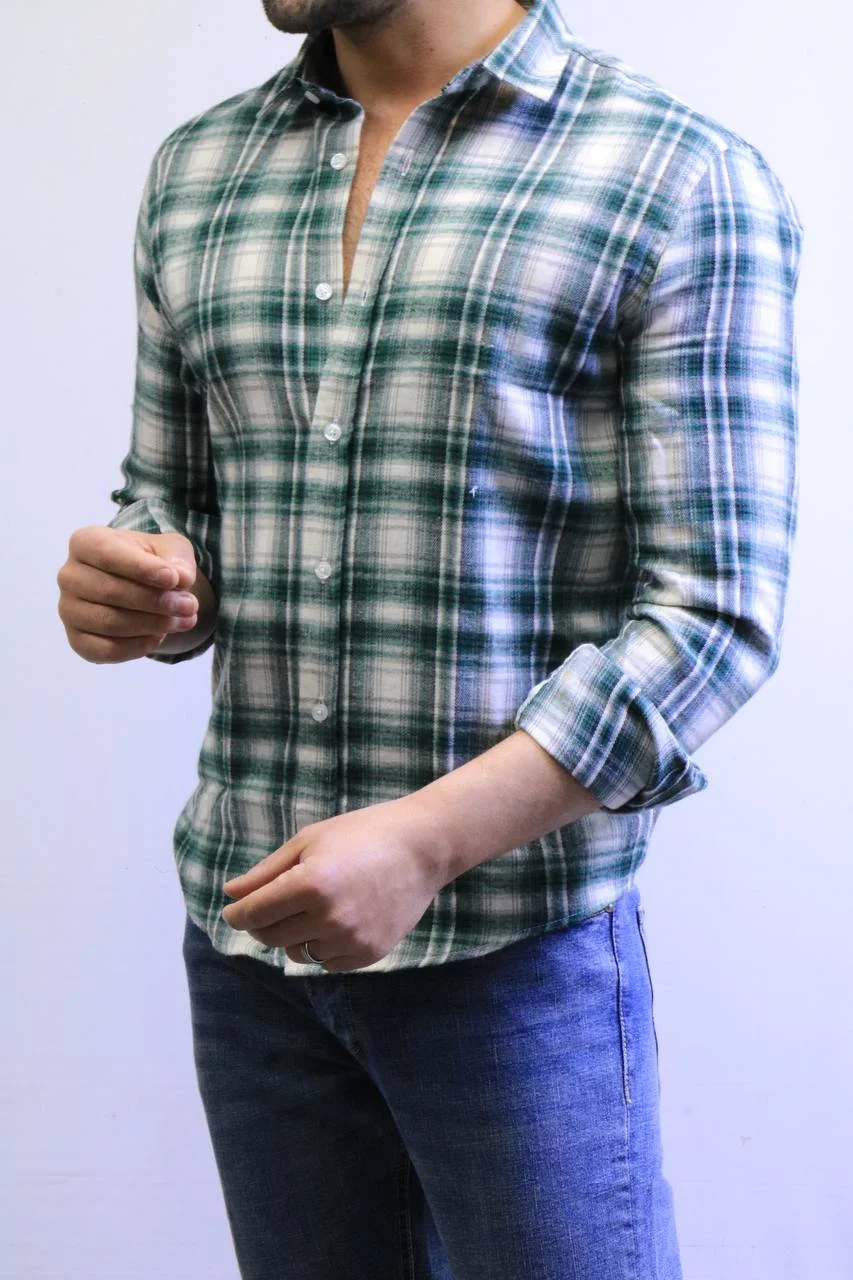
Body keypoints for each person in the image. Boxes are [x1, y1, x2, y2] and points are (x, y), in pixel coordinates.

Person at [55, 0, 803, 1275]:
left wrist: (422, 839)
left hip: (516, 958)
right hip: (250, 951)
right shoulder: (197, 169)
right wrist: (146, 581)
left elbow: (714, 614)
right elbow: (168, 497)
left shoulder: (675, 172)